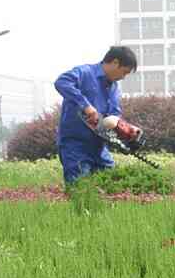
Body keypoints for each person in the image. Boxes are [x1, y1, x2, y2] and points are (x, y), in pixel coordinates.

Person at [54, 46, 137, 184]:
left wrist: (126, 128)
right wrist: (86, 106)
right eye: (124, 72)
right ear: (115, 62)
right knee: (80, 188)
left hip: (99, 148)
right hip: (75, 146)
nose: (123, 77)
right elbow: (62, 82)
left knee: (111, 184)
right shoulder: (85, 72)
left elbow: (114, 114)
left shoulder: (114, 87)